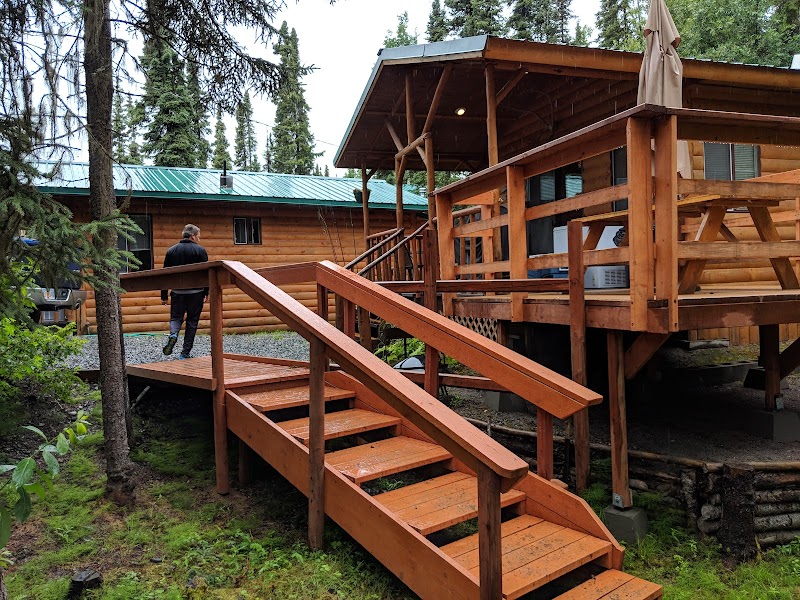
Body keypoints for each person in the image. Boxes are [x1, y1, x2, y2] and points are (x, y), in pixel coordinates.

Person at [161, 224, 208, 359]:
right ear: (192, 236)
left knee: (176, 318)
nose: (199, 239)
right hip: (196, 293)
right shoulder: (200, 251)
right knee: (192, 322)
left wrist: (164, 295)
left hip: (177, 292)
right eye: (198, 236)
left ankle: (173, 334)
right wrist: (206, 292)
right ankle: (184, 353)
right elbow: (206, 273)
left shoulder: (171, 251)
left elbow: (165, 274)